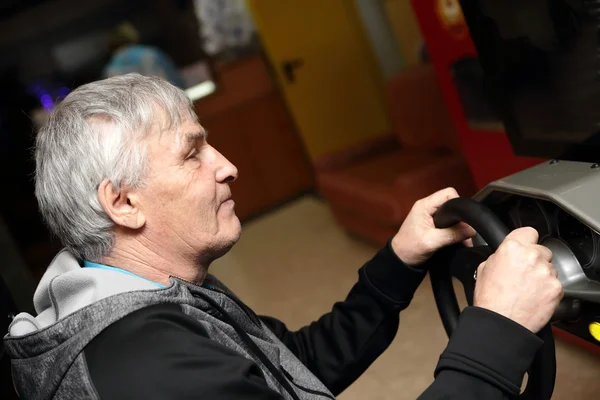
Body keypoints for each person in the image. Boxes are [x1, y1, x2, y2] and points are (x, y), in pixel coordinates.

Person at [3, 74, 563, 400]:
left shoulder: (145, 295)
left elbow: (291, 367)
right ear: (123, 204)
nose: (226, 166)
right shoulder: (152, 370)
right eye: (192, 153)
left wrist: (400, 257)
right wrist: (497, 329)